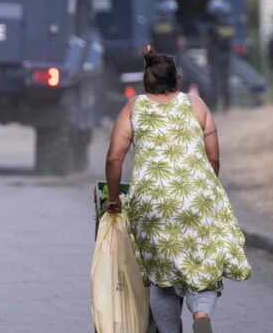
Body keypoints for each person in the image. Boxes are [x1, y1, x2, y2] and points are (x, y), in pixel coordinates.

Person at [103, 46, 251, 333]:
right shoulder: (196, 105)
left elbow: (113, 158)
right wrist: (203, 189)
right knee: (201, 267)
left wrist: (113, 198)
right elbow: (214, 157)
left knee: (161, 275)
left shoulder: (134, 107)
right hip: (198, 198)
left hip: (152, 202)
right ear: (177, 82)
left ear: (146, 81)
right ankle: (201, 317)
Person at [205, 0, 234, 112]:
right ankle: (227, 105)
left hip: (215, 56)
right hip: (226, 56)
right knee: (225, 81)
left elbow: (209, 42)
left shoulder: (212, 27)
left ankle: (214, 106)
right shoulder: (229, 26)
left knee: (215, 82)